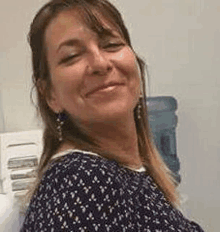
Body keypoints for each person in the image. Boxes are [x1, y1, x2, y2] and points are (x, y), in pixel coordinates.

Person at [20, 0, 205, 231]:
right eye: (72, 56)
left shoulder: (130, 172)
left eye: (111, 44)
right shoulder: (80, 180)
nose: (100, 63)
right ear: (50, 95)